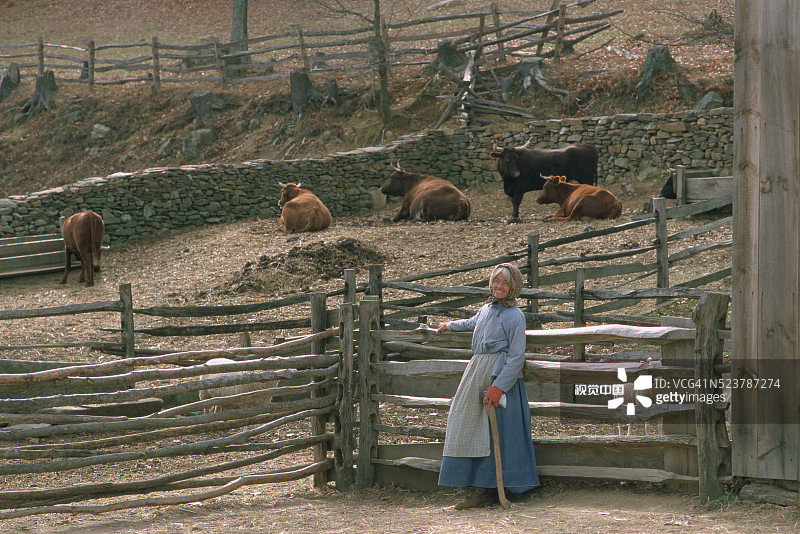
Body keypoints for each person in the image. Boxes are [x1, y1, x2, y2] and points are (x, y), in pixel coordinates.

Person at [435, 262, 540, 509]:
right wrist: (450, 325)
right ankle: (476, 484)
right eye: (496, 281)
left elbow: (516, 357)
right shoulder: (486, 309)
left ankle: (490, 488)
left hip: (499, 376)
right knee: (469, 425)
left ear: (514, 286)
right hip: (477, 372)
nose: (499, 286)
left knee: (498, 431)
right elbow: (472, 323)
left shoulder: (516, 316)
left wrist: (499, 387)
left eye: (504, 283)